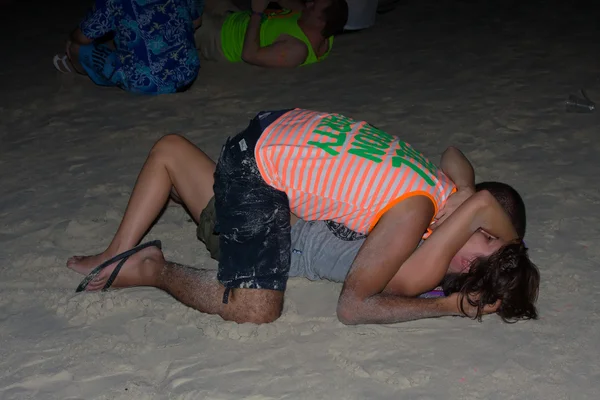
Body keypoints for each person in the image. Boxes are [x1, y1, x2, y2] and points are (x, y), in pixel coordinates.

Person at [67, 108, 539, 325]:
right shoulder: (429, 213)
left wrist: (471, 200)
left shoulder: (440, 211)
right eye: (485, 244)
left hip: (274, 150)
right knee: (257, 309)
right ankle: (150, 268)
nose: (466, 262)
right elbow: (353, 308)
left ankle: (162, 185)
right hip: (268, 181)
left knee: (186, 161)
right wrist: (448, 303)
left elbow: (457, 160)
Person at [53, 0, 204, 94]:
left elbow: (83, 37)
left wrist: (72, 36)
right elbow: (196, 22)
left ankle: (79, 68)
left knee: (76, 47)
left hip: (146, 81)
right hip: (187, 72)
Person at [195, 0, 348, 67]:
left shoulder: (297, 50)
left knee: (177, 14)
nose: (308, 4)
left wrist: (257, 12)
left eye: (314, 6)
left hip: (221, 39)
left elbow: (249, 55)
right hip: (234, 16)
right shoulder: (322, 31)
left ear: (320, 22)